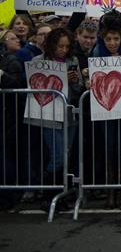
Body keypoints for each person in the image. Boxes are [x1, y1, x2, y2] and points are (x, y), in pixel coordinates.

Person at [89, 11, 121, 210]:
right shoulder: (96, 52)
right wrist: (88, 80)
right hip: (105, 110)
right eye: (108, 39)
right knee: (108, 147)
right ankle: (111, 191)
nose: (112, 43)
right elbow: (92, 77)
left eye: (116, 38)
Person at [31, 28, 85, 212]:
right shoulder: (38, 62)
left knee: (67, 155)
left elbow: (79, 90)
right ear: (52, 45)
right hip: (48, 115)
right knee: (57, 155)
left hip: (69, 115)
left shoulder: (73, 61)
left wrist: (75, 81)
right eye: (60, 46)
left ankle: (62, 193)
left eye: (66, 46)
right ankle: (50, 195)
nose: (63, 50)